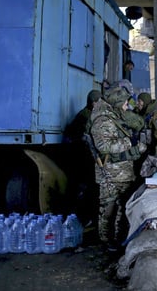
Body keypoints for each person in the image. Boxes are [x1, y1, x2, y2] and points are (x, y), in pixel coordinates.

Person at [89, 86, 146, 251]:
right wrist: (130, 143)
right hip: (111, 174)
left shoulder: (114, 117)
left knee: (122, 207)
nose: (127, 106)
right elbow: (104, 146)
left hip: (122, 171)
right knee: (108, 209)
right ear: (118, 103)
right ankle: (106, 240)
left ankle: (119, 238)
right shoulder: (103, 120)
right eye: (125, 103)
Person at [63, 89, 102, 225]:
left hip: (83, 158)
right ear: (93, 103)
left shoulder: (87, 114)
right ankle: (81, 218)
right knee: (84, 189)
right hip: (82, 159)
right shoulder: (85, 117)